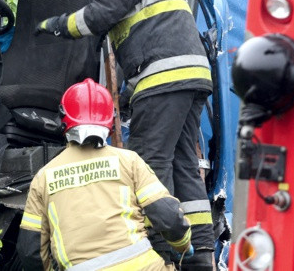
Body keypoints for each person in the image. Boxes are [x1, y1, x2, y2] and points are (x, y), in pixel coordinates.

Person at [34, 0, 214, 270]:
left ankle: (161, 251)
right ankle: (201, 256)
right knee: (183, 163)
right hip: (189, 77)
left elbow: (97, 16)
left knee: (150, 162)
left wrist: (54, 25)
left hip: (164, 78)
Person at [17, 78, 193, 271]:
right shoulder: (128, 161)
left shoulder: (43, 178)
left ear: (63, 118)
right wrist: (182, 245)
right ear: (111, 119)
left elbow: (30, 252)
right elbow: (166, 215)